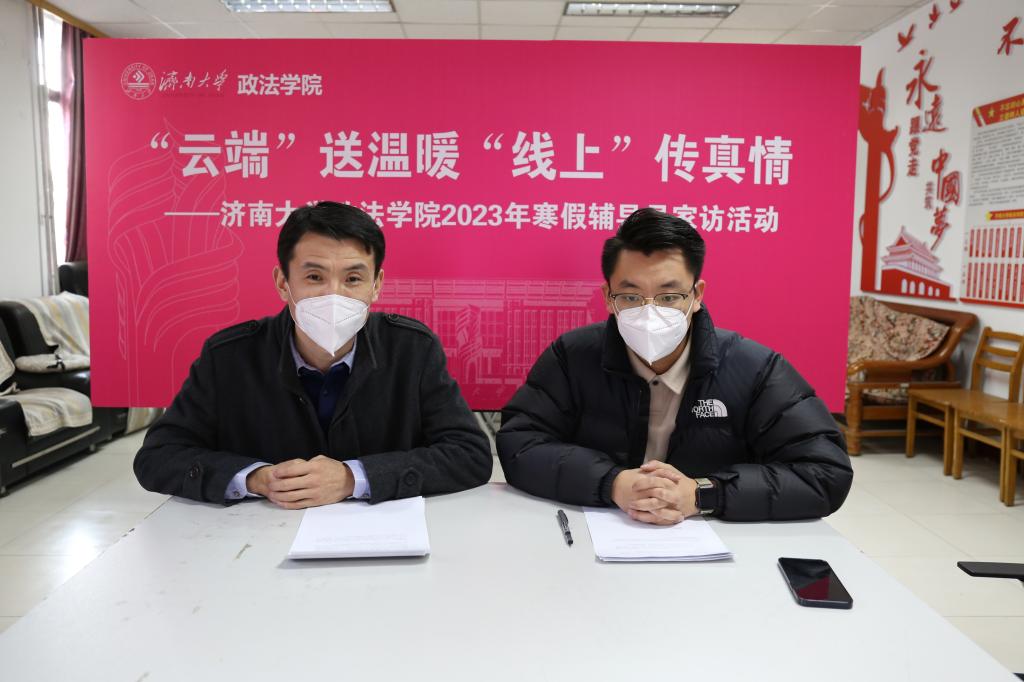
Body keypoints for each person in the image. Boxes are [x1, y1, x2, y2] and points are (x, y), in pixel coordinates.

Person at [497, 208, 851, 523]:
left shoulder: (755, 369)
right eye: (631, 296)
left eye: (669, 296)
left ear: (697, 295)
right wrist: (614, 483)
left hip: (716, 544)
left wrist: (702, 494)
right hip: (593, 535)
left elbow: (825, 473)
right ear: (607, 297)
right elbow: (520, 444)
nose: (649, 311)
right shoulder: (572, 357)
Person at [135, 201, 491, 508]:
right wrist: (256, 478)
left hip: (379, 543)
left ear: (376, 285)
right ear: (282, 282)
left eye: (353, 279)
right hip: (257, 539)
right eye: (315, 277)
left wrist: (354, 478)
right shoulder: (229, 357)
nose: (333, 295)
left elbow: (469, 454)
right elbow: (158, 457)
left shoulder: (412, 349)